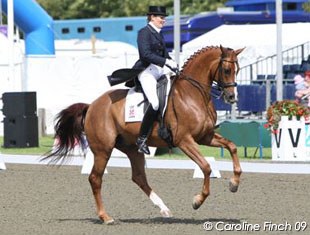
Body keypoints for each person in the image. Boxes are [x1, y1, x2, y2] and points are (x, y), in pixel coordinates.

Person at [132, 6, 178, 155]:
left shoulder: (159, 34)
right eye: (161, 17)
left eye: (164, 18)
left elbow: (165, 54)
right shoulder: (144, 33)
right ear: (152, 17)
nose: (163, 20)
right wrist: (165, 61)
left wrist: (173, 63)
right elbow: (145, 54)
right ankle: (142, 138)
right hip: (147, 72)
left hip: (159, 71)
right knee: (155, 102)